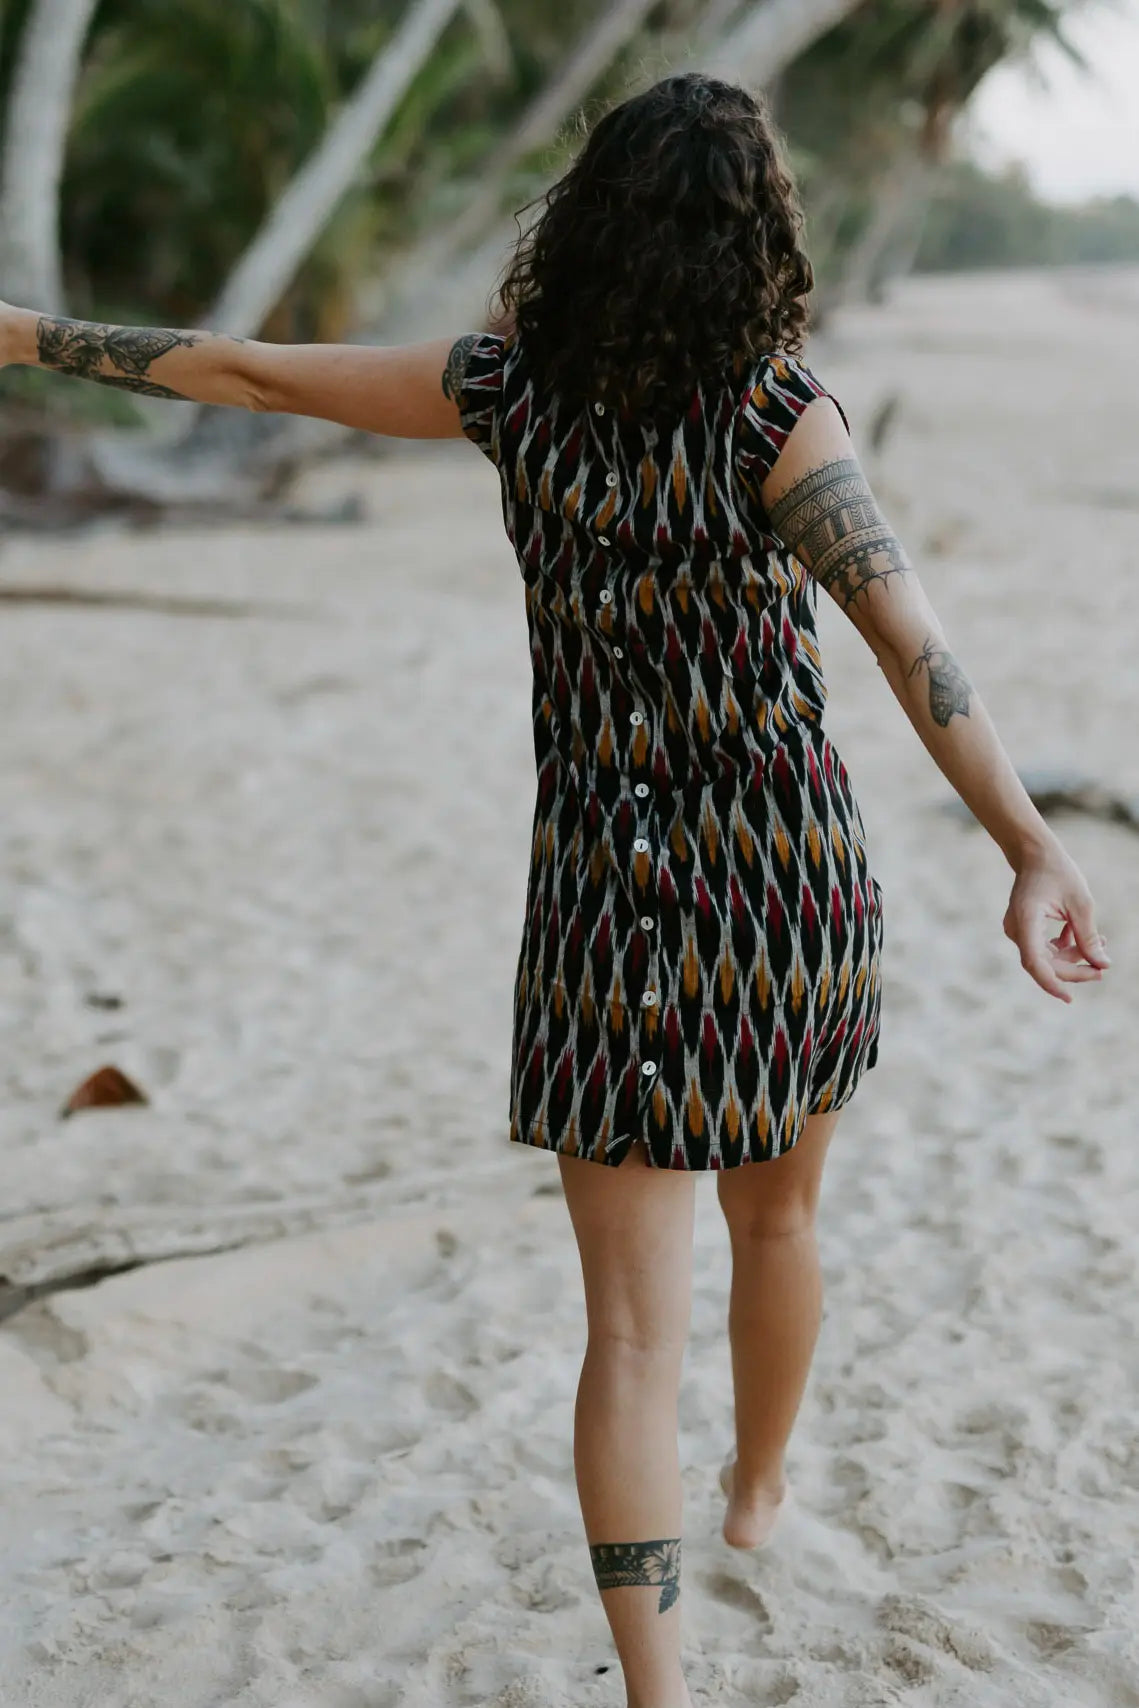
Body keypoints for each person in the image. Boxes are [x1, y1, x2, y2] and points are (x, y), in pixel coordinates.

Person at [1, 69, 1109, 1708]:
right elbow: (914, 649)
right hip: (788, 893)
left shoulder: (504, 394)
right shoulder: (778, 419)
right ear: (762, 246)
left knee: (632, 1338)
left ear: (586, 220)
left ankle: (657, 1690)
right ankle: (757, 1489)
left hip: (609, 913)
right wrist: (1032, 849)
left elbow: (241, 372)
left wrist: (29, 339)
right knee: (782, 1214)